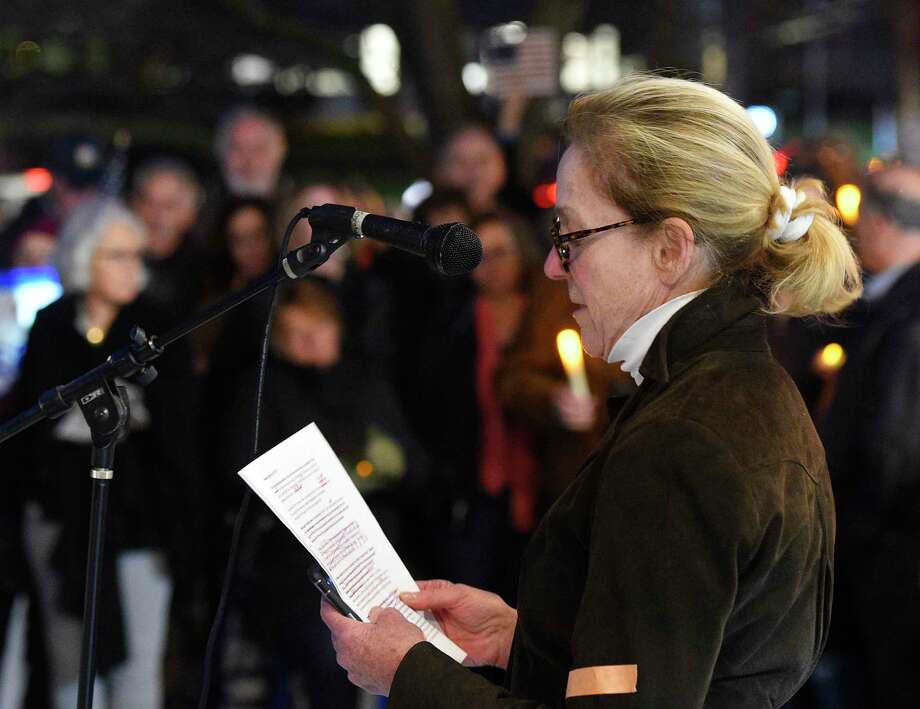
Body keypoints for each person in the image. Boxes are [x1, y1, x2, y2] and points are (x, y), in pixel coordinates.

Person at [320, 74, 862, 707]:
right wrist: (521, 638)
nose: (553, 266)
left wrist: (408, 674)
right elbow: (677, 655)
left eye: (572, 236)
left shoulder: (685, 438)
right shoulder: (730, 386)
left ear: (670, 248)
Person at [7, 196, 197, 709]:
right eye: (118, 255)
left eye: (138, 255)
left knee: (139, 665)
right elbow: (37, 423)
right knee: (68, 662)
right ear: (84, 256)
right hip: (59, 516)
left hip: (138, 518)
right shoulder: (50, 323)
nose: (133, 267)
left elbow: (172, 422)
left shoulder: (155, 326)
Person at [818, 163, 920, 709]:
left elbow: (892, 452)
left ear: (877, 224)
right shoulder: (890, 304)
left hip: (888, 566)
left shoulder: (909, 316)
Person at [130, 156, 204, 320]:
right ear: (133, 206)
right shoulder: (109, 262)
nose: (157, 216)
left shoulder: (207, 276)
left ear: (190, 214)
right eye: (148, 202)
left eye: (169, 206)